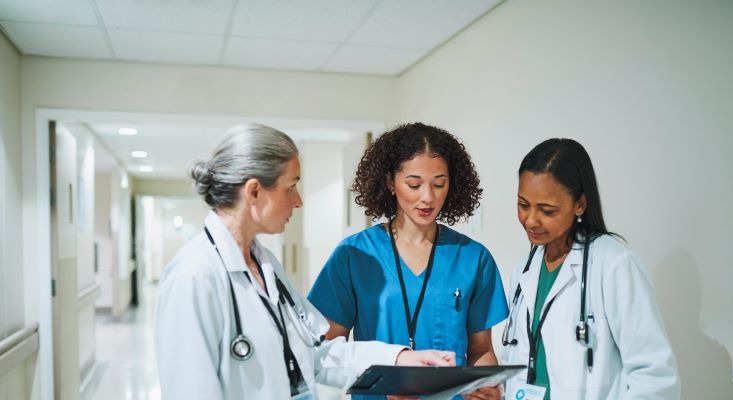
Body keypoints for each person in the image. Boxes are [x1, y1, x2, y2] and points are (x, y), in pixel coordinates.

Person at [155, 123, 455, 400]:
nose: (298, 200)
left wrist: (398, 359)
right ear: (254, 192)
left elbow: (316, 353)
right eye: (291, 186)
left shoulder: (264, 264)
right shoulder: (194, 277)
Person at [308, 122, 508, 400]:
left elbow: (481, 350)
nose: (428, 197)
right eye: (414, 184)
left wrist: (486, 386)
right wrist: (384, 383)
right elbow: (327, 349)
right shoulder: (354, 255)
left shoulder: (473, 257)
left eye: (439, 184)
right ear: (391, 182)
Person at [500, 138, 680, 399]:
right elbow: (519, 362)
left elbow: (654, 376)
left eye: (547, 210)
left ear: (580, 204)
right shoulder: (524, 271)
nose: (531, 220)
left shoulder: (614, 264)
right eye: (523, 205)